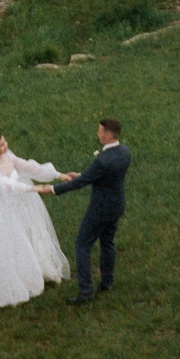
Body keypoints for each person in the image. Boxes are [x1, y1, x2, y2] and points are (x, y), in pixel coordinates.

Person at [37, 118, 129, 304]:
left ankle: (86, 291)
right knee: (108, 242)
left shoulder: (102, 161)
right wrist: (82, 174)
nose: (98, 134)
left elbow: (82, 183)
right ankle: (107, 281)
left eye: (100, 131)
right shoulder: (125, 152)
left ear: (108, 135)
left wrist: (53, 189)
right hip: (116, 205)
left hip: (100, 210)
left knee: (82, 245)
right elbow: (102, 176)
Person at [0, 131, 70, 308]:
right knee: (13, 243)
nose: (6, 146)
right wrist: (34, 189)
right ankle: (17, 281)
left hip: (20, 205)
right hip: (2, 210)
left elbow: (30, 167)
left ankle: (38, 270)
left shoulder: (8, 158)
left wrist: (58, 175)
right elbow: (7, 186)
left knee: (30, 235)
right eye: (2, 145)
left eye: (5, 142)